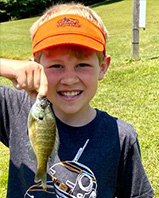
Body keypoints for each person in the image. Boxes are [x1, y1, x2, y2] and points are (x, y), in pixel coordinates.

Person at [0, 2, 154, 198]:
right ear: (36, 66)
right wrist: (8, 67)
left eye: (82, 64)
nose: (70, 79)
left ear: (103, 66)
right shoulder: (16, 109)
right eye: (56, 65)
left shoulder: (121, 137)